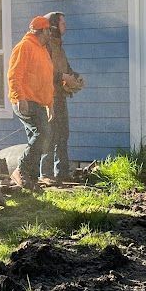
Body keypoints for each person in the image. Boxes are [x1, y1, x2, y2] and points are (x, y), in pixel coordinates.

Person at [6, 15, 55, 190]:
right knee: (43, 134)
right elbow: (14, 75)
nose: (51, 33)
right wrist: (20, 98)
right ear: (41, 31)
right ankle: (21, 170)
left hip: (38, 102)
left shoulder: (42, 50)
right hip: (26, 100)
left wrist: (50, 104)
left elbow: (46, 80)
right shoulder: (24, 47)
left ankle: (30, 180)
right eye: (49, 30)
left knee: (40, 138)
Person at [41, 11, 83, 184]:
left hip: (60, 96)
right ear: (53, 26)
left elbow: (66, 68)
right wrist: (63, 77)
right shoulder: (47, 47)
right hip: (48, 97)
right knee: (49, 136)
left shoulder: (59, 46)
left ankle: (62, 173)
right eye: (63, 23)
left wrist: (75, 76)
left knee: (63, 134)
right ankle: (46, 174)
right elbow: (44, 72)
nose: (65, 26)